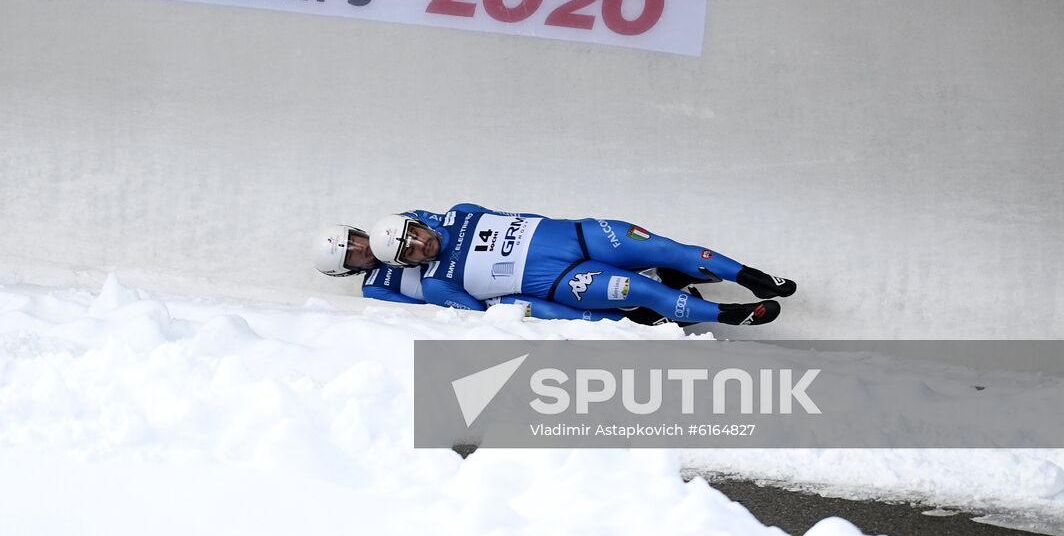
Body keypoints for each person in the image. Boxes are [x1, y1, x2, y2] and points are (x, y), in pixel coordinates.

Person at [367, 204, 794, 326]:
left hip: (581, 234)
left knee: (666, 248)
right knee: (641, 290)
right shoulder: (440, 286)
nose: (421, 246)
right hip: (566, 281)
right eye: (411, 251)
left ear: (418, 222)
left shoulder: (461, 211)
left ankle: (751, 277)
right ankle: (728, 315)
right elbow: (486, 317)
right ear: (408, 263)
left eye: (415, 234)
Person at [311, 224, 698, 325]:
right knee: (552, 311)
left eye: (357, 241)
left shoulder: (397, 232)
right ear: (349, 272)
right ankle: (634, 319)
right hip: (483, 299)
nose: (363, 250)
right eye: (354, 256)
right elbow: (421, 312)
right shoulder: (376, 290)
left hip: (493, 267)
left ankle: (652, 276)